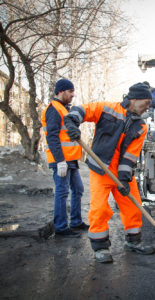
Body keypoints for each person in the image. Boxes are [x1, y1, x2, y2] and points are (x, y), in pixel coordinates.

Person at [63, 82, 154, 263]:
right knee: (99, 209)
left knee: (132, 205)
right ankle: (100, 247)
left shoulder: (141, 126)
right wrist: (72, 122)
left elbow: (130, 155)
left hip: (122, 172)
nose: (147, 107)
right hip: (101, 168)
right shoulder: (106, 109)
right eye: (146, 103)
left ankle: (133, 241)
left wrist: (124, 180)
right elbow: (82, 111)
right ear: (134, 100)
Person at [41, 79, 88, 238]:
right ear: (61, 91)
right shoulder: (54, 109)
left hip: (71, 160)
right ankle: (61, 227)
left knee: (78, 189)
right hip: (61, 160)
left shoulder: (64, 109)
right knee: (62, 192)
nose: (73, 94)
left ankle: (75, 222)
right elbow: (52, 137)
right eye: (70, 91)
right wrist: (60, 160)